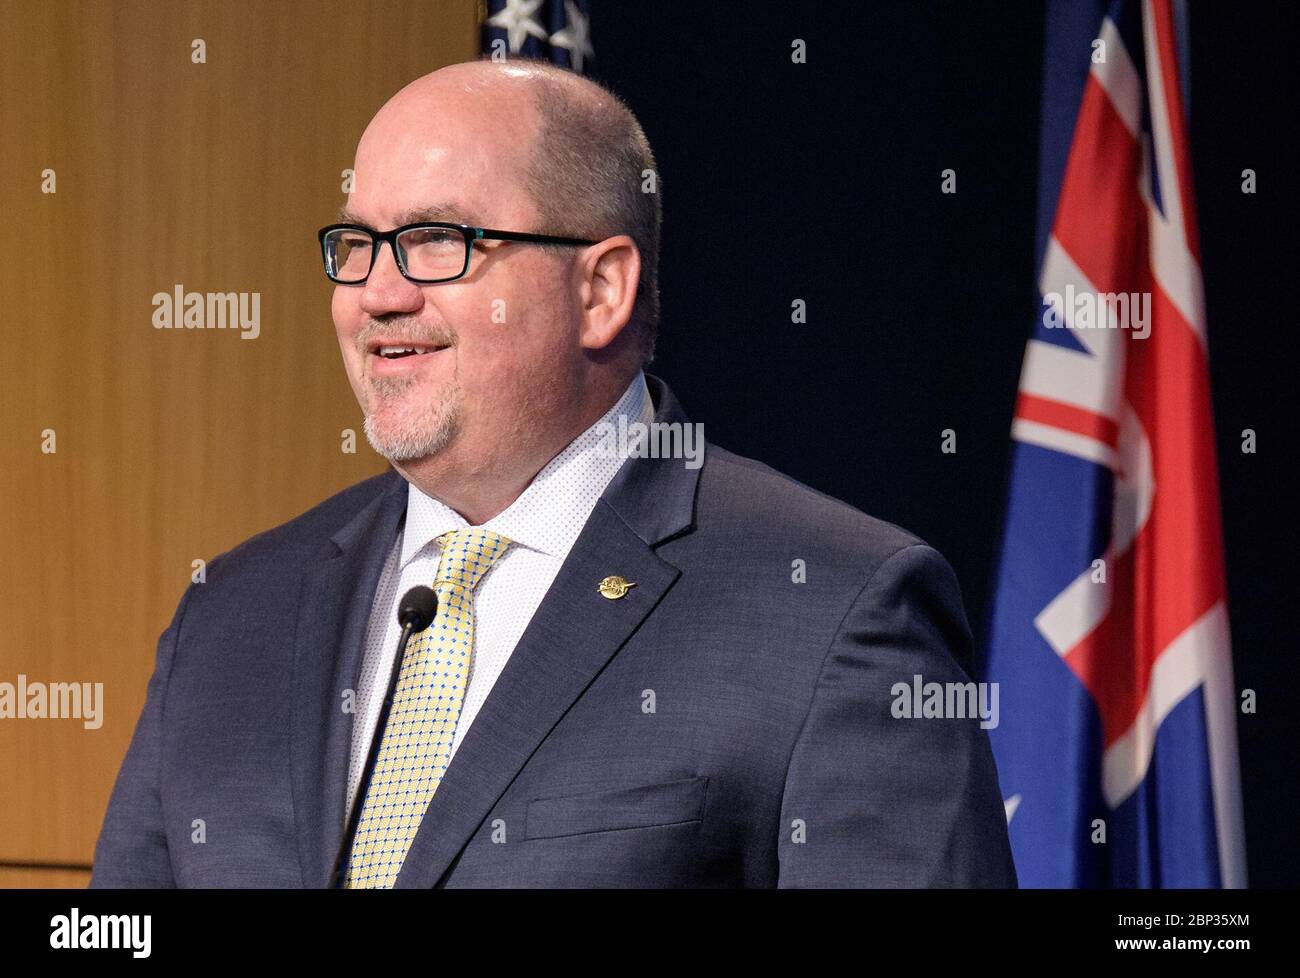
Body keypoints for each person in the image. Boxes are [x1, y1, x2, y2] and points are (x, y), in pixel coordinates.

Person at [90, 58, 1016, 888]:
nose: (377, 294)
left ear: (601, 290)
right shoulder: (230, 619)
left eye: (436, 241)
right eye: (359, 245)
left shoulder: (832, 610)